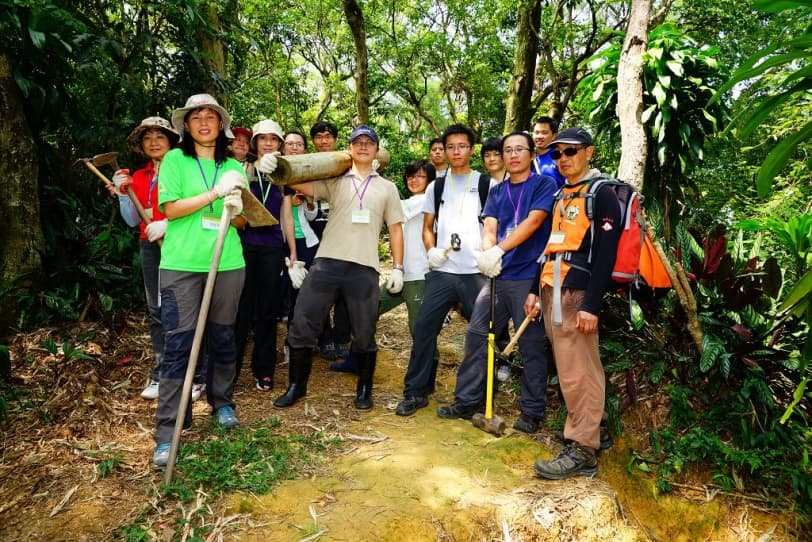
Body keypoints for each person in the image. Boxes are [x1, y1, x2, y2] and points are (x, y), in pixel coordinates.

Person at [258, 124, 404, 410]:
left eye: (368, 142)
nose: (362, 146)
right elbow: (298, 183)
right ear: (349, 148)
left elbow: (396, 228)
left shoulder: (387, 188)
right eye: (357, 142)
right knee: (302, 323)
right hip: (327, 263)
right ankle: (296, 387)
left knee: (364, 332)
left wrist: (398, 266)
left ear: (376, 150)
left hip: (364, 268)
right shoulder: (336, 180)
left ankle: (364, 390)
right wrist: (273, 167)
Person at [151, 93, 247, 467]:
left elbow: (241, 221)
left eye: (211, 116)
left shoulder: (233, 166)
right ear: (186, 126)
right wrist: (214, 193)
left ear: (221, 124)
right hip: (182, 265)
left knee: (224, 337)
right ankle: (169, 429)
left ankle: (222, 403)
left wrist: (235, 208)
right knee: (179, 345)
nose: (204, 122)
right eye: (196, 117)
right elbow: (171, 209)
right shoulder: (175, 160)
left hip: (227, 262)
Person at [440, 131, 555, 428]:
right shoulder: (497, 191)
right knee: (477, 336)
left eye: (520, 149)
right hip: (498, 276)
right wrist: (490, 253)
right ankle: (468, 401)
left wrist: (500, 250)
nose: (513, 155)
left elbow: (534, 221)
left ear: (531, 153)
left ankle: (531, 411)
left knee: (530, 344)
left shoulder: (543, 184)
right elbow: (490, 224)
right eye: (508, 150)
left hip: (529, 277)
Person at [529, 127, 621, 479]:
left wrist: (591, 305)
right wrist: (537, 292)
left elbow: (605, 255)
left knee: (578, 369)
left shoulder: (602, 194)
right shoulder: (562, 195)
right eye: (557, 154)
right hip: (553, 286)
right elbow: (552, 245)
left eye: (570, 151)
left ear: (589, 152)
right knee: (575, 366)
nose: (563, 159)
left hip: (577, 293)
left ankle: (583, 448)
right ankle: (595, 428)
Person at [109, 117, 209, 403]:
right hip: (150, 246)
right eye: (148, 138)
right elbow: (132, 220)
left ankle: (196, 376)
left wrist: (168, 223)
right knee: (158, 310)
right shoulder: (139, 177)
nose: (153, 142)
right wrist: (122, 195)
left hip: (183, 244)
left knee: (188, 308)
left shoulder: (187, 170)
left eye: (159, 136)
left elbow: (196, 208)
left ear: (171, 140)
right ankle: (162, 372)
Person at [395, 124, 492, 417]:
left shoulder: (486, 184)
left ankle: (477, 396)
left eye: (462, 146)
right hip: (443, 272)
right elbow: (428, 228)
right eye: (451, 147)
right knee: (424, 329)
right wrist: (432, 251)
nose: (456, 151)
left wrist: (492, 254)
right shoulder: (436, 187)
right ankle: (416, 391)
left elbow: (493, 225)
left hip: (476, 272)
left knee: (482, 334)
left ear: (471, 149)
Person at [330, 159, 437, 374]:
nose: (413, 180)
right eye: (410, 176)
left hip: (419, 276)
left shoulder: (426, 200)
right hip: (400, 274)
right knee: (367, 311)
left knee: (420, 329)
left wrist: (374, 179)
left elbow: (394, 209)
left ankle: (426, 376)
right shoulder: (410, 201)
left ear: (430, 180)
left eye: (419, 176)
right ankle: (356, 359)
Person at [232, 119, 293, 392]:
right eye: (263, 138)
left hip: (271, 248)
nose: (268, 143)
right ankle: (228, 372)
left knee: (267, 311)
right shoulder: (242, 168)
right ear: (255, 143)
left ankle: (264, 370)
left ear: (279, 143)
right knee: (240, 310)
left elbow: (287, 216)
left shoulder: (285, 173)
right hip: (242, 246)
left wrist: (291, 252)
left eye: (273, 139)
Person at [308, 120, 351, 360]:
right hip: (315, 231)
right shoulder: (304, 163)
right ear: (313, 141)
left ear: (335, 139)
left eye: (328, 136)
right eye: (319, 137)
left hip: (344, 228)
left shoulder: (347, 162)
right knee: (321, 285)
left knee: (346, 285)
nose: (324, 141)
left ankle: (341, 337)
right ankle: (324, 338)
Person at [531, 117, 565, 188]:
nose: (539, 136)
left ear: (554, 136)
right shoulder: (527, 158)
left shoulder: (560, 157)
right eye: (536, 132)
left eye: (544, 133)